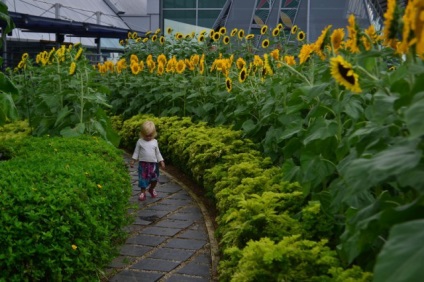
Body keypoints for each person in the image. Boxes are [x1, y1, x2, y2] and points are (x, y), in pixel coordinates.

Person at [130, 120, 165, 201]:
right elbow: (136, 152)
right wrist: (133, 160)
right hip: (143, 165)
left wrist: (161, 161)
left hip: (153, 165)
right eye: (146, 136)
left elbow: (158, 153)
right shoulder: (140, 142)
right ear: (142, 134)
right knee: (143, 179)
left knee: (154, 179)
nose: (148, 137)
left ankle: (151, 188)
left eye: (150, 135)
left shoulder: (155, 142)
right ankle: (142, 192)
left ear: (154, 134)